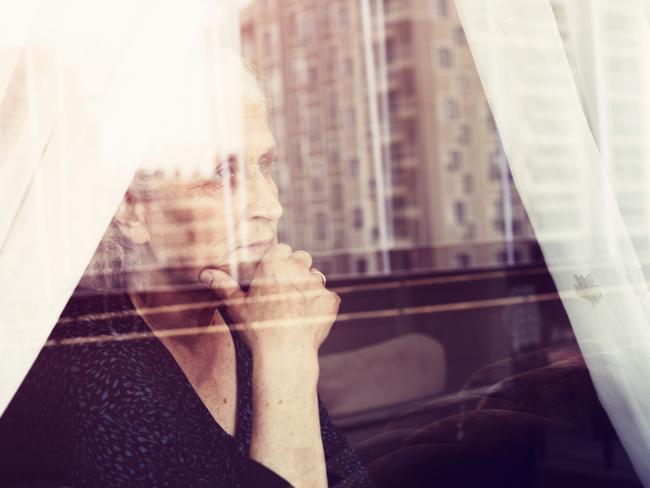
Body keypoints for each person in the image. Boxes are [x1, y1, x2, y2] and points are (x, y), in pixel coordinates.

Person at [0, 57, 374, 487]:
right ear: (132, 208)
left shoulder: (250, 321)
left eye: (264, 165)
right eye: (221, 172)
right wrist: (287, 361)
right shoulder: (89, 370)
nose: (272, 207)